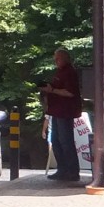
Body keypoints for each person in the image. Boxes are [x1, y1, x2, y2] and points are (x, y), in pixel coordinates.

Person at [39, 47, 84, 182]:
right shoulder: (59, 72)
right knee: (56, 141)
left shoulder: (70, 72)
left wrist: (52, 90)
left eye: (58, 58)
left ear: (65, 58)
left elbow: (70, 92)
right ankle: (62, 169)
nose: (56, 61)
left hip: (66, 112)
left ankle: (72, 171)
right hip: (56, 111)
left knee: (66, 141)